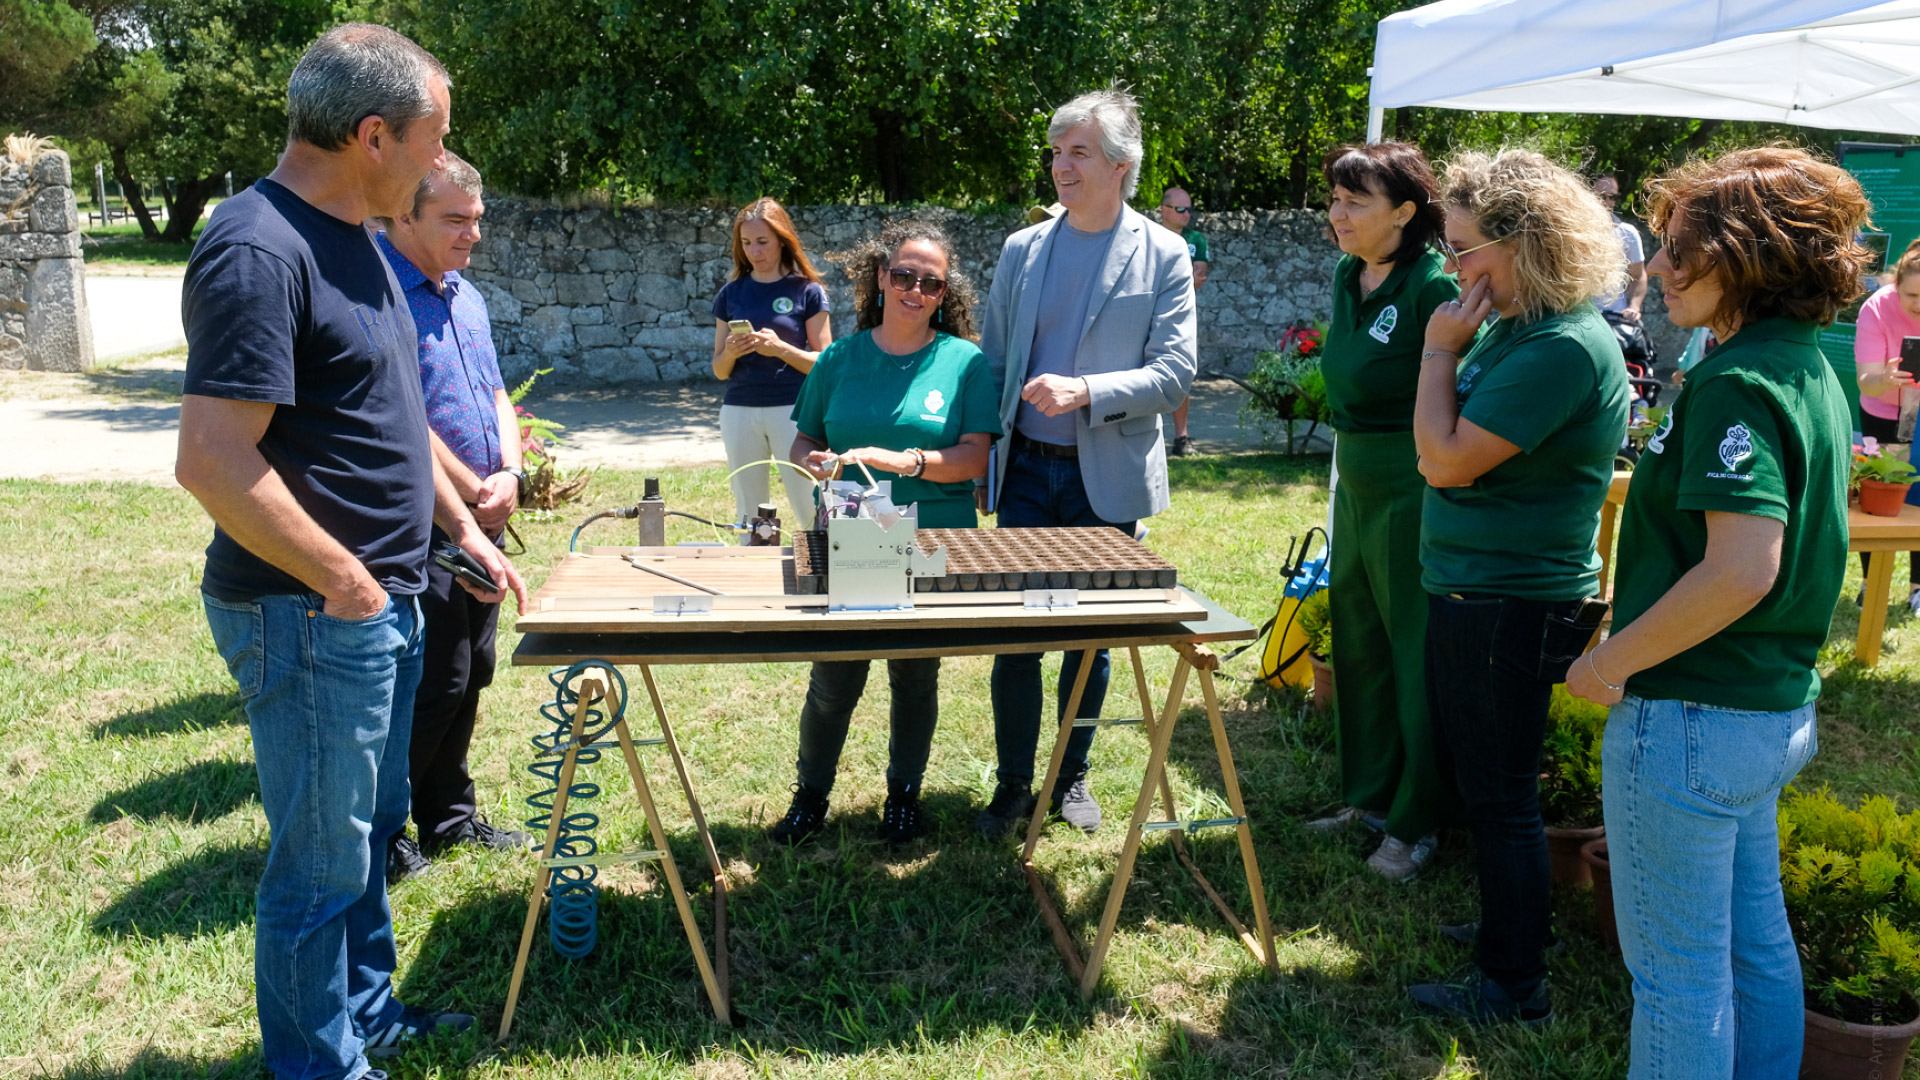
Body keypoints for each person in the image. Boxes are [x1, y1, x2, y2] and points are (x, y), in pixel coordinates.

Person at [174, 24, 526, 1080]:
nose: (442, 161)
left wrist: (457, 528)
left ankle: (368, 1020)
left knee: (364, 846)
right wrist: (350, 582)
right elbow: (212, 459)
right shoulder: (256, 246)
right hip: (313, 612)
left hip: (384, 600)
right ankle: (319, 1067)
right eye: (433, 138)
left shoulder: (357, 235)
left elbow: (392, 413)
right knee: (317, 869)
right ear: (373, 135)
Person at [1567, 147, 1863, 1079]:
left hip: (1693, 716)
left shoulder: (1737, 381)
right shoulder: (1804, 366)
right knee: (1752, 946)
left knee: (1678, 979)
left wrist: (1608, 662)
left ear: (1746, 256)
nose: (1656, 269)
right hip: (1767, 712)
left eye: (1679, 251)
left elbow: (1742, 570)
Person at [1406, 148, 1630, 1025]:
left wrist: (1435, 353)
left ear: (1526, 243)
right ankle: (1516, 925)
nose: (1453, 268)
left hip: (1506, 599)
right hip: (1482, 588)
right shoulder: (1521, 326)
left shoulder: (1563, 345)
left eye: (1464, 249)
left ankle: (1514, 986)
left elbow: (1446, 460)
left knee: (1500, 796)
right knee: (1492, 783)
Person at [971, 87, 1198, 839]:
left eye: (1078, 152)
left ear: (1121, 165)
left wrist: (1088, 390)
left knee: (1089, 639)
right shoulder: (1022, 249)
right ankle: (1010, 787)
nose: (1060, 166)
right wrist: (982, 452)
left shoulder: (1164, 252)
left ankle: (1069, 780)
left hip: (1107, 479)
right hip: (1028, 471)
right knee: (1017, 636)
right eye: (1056, 151)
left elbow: (1174, 375)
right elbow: (996, 364)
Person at [771, 219, 1001, 845]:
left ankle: (903, 798)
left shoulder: (964, 363)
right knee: (834, 676)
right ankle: (810, 797)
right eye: (903, 275)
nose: (914, 289)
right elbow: (804, 437)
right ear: (879, 277)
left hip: (933, 537)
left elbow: (977, 457)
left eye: (930, 281)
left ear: (943, 292)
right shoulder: (841, 357)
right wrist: (811, 459)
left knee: (914, 674)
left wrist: (912, 462)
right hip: (854, 530)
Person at [1303, 142, 1463, 882]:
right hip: (1354, 477)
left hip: (1411, 482)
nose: (1338, 214)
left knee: (1413, 651)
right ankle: (1366, 798)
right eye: (1334, 198)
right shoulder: (1347, 273)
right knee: (1359, 638)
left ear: (1404, 211)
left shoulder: (1434, 288)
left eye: (1355, 201)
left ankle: (1417, 821)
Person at [373, 153, 533, 881]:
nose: (472, 233)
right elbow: (404, 418)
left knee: (473, 669)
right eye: (455, 220)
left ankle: (449, 817)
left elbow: (497, 392)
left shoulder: (464, 293)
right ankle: (387, 832)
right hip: (424, 522)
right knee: (432, 675)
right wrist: (474, 489)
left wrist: (512, 472)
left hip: (483, 513)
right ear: (405, 215)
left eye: (477, 219)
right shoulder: (380, 295)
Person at [712, 198, 831, 530]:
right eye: (746, 243)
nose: (754, 251)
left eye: (762, 242)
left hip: (793, 409)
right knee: (749, 511)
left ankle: (822, 573)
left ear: (782, 240)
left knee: (809, 502)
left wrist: (780, 350)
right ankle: (750, 574)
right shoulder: (730, 294)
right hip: (739, 410)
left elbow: (826, 364)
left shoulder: (808, 291)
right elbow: (719, 370)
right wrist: (733, 352)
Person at [1852, 237, 1920, 609]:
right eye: (1912, 295)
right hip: (1881, 411)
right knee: (1878, 497)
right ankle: (1870, 582)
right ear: (1897, 284)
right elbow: (1866, 381)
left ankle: (1918, 588)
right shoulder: (1876, 308)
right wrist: (1886, 379)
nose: (1919, 306)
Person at [1158, 186, 1209, 457]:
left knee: (1181, 375)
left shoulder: (1196, 239)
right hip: (1147, 314)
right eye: (1181, 209)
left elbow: (1198, 276)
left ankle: (1181, 437)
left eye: (1189, 209)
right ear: (1164, 210)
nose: (1187, 214)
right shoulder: (1149, 236)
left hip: (1180, 316)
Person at [1594, 174, 1656, 369]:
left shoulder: (1625, 233)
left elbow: (1638, 275)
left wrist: (1634, 307)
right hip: (1579, 320)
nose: (1607, 202)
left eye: (1611, 197)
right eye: (1601, 196)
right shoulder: (1569, 233)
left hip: (1615, 323)